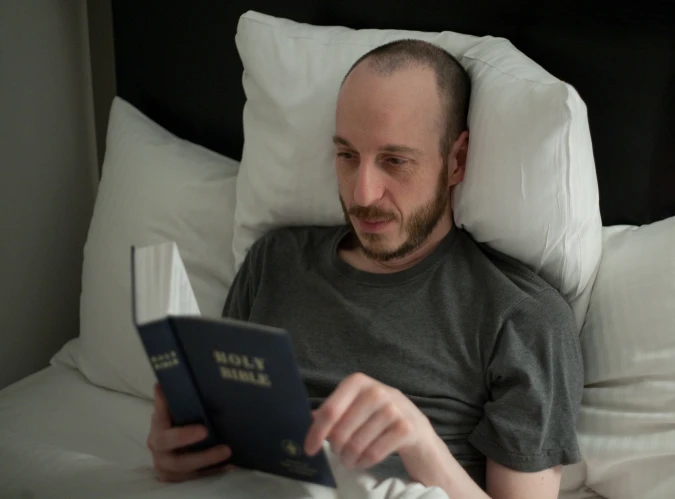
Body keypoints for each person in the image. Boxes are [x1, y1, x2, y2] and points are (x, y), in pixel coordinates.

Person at [145, 39, 584, 498]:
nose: (362, 194)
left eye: (395, 161)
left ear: (455, 160)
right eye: (347, 156)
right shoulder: (274, 263)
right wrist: (181, 454)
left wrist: (421, 444)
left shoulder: (523, 318)